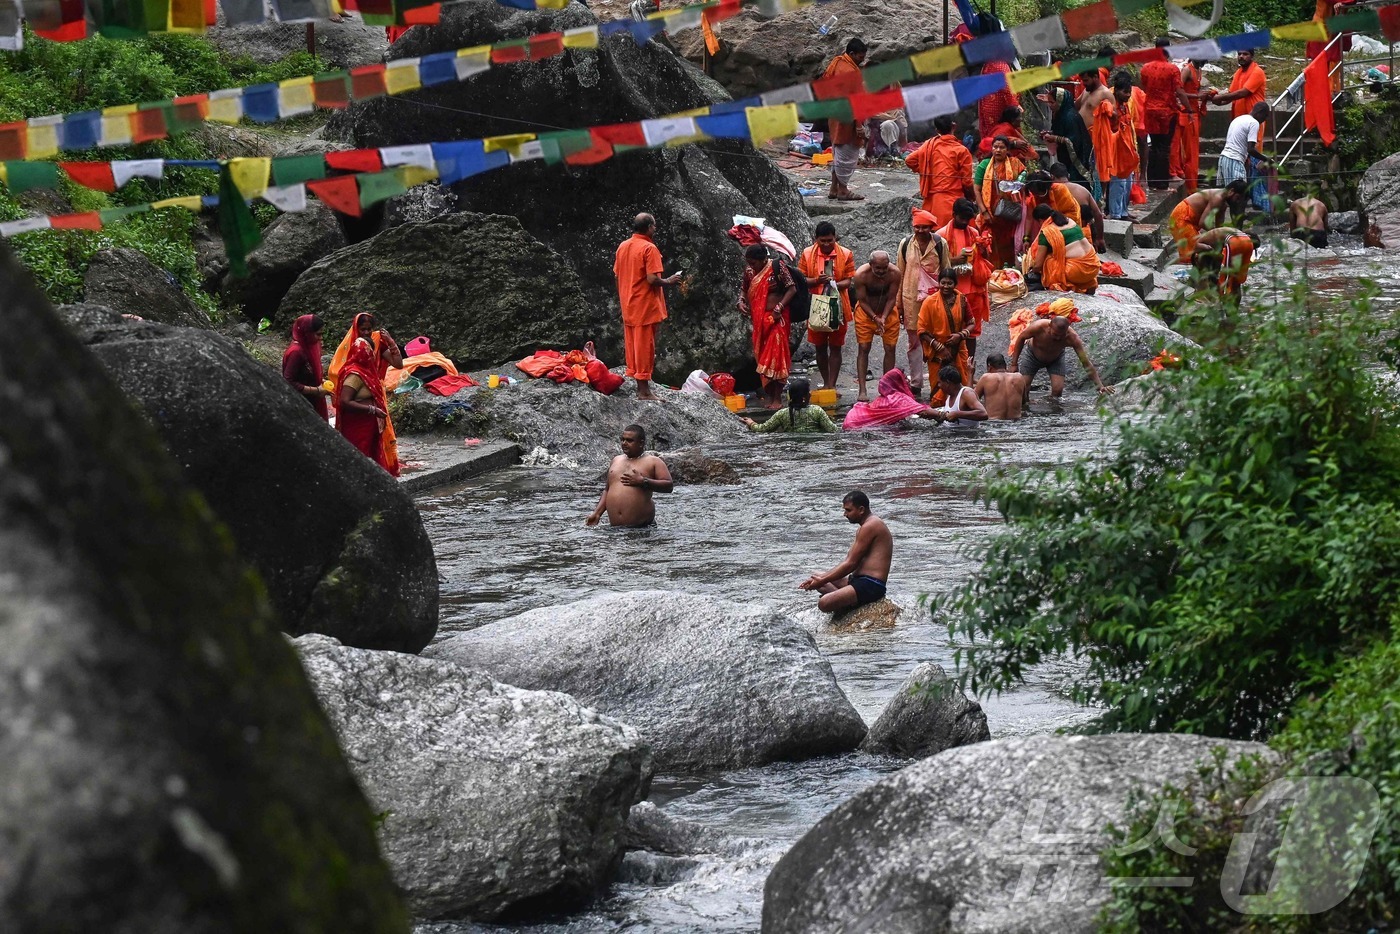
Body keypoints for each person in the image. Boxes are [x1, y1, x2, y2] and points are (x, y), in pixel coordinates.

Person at [614, 213, 681, 401]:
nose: (656, 229)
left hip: (628, 304)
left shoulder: (623, 246)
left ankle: (641, 388)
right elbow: (652, 279)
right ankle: (644, 391)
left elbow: (618, 275)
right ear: (649, 227)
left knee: (633, 347)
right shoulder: (648, 248)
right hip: (644, 305)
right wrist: (669, 280)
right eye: (654, 226)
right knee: (645, 348)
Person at [799, 490, 894, 613]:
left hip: (871, 585)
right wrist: (820, 579)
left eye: (848, 510)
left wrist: (823, 580)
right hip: (857, 581)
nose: (845, 514)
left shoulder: (871, 525)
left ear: (861, 509)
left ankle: (846, 605)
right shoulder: (865, 526)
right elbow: (848, 563)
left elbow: (850, 564)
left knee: (823, 603)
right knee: (816, 576)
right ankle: (846, 602)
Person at [330, 312, 401, 475]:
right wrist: (371, 408)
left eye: (370, 329)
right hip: (360, 407)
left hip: (374, 396)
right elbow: (344, 394)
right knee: (359, 451)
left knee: (372, 448)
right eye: (363, 329)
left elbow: (398, 363)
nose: (367, 333)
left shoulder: (375, 342)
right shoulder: (354, 354)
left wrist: (390, 342)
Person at [895, 209, 951, 395]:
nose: (920, 231)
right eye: (917, 227)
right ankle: (916, 383)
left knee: (938, 339)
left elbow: (946, 272)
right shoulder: (905, 245)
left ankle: (939, 382)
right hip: (911, 300)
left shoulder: (940, 244)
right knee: (914, 342)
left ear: (931, 228)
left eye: (924, 227)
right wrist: (899, 304)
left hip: (935, 301)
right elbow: (900, 275)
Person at [738, 244, 798, 409]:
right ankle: (771, 396)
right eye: (749, 263)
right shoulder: (749, 272)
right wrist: (741, 300)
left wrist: (780, 306)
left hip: (778, 318)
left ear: (764, 259)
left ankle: (777, 399)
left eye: (754, 263)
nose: (751, 266)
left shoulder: (777, 268)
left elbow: (791, 289)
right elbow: (744, 290)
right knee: (763, 356)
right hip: (759, 321)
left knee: (776, 358)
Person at [798, 221, 856, 391]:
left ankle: (832, 384)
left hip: (838, 305)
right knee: (820, 347)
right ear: (816, 239)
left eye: (829, 240)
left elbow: (849, 280)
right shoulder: (808, 254)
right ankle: (825, 382)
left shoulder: (846, 253)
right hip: (817, 305)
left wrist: (834, 284)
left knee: (836, 347)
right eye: (822, 241)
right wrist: (817, 281)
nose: (826, 244)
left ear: (835, 238)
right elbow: (801, 280)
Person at [1010, 313, 1115, 400]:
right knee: (1023, 389)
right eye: (1055, 334)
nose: (1058, 338)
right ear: (1049, 326)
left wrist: (1100, 386)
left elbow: (1085, 362)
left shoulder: (1072, 338)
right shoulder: (1038, 326)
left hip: (1056, 359)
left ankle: (1051, 414)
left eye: (1061, 336)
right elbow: (1021, 338)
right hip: (1033, 356)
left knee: (1057, 391)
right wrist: (1014, 363)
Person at [586, 424, 674, 528]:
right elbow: (607, 490)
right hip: (615, 530)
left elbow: (669, 486)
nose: (624, 443)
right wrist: (597, 513)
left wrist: (643, 481)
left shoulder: (654, 461)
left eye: (629, 440)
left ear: (641, 443)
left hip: (643, 529)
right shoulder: (616, 460)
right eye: (622, 440)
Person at [938, 199, 990, 368]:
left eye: (968, 220)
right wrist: (954, 260)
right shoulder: (941, 236)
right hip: (950, 291)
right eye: (962, 219)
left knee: (971, 333)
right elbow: (935, 265)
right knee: (948, 331)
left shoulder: (974, 232)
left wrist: (983, 250)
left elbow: (986, 258)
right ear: (953, 215)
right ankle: (949, 369)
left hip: (973, 290)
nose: (965, 223)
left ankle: (969, 369)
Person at [905, 114, 975, 228]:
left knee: (935, 240)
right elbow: (967, 182)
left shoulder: (929, 145)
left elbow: (909, 160)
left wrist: (926, 170)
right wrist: (973, 197)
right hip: (954, 203)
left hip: (932, 203)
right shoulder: (961, 150)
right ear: (954, 126)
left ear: (937, 129)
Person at [852, 251, 902, 403]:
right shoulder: (861, 275)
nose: (881, 272)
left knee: (890, 347)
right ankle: (862, 390)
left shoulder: (895, 273)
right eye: (877, 268)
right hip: (866, 312)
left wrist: (884, 317)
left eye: (884, 268)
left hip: (888, 312)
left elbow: (892, 298)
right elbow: (862, 301)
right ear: (871, 265)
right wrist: (875, 317)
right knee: (864, 347)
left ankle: (886, 387)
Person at [823, 38, 868, 201]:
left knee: (838, 152)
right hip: (847, 119)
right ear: (851, 54)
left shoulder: (836, 63)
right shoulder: (851, 71)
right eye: (860, 57)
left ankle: (833, 188)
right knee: (847, 154)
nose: (862, 60)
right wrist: (858, 125)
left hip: (834, 115)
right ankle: (843, 190)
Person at [917, 269, 972, 402]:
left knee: (961, 385)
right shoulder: (930, 302)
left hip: (958, 349)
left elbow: (971, 322)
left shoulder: (962, 300)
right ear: (938, 283)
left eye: (950, 283)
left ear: (955, 284)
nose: (946, 286)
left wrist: (960, 335)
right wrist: (939, 347)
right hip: (937, 354)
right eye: (943, 283)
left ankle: (960, 411)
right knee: (938, 390)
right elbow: (921, 330)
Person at [973, 136, 1026, 270]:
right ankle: (992, 273)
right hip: (990, 214)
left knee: (1009, 244)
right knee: (990, 244)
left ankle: (1009, 272)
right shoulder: (984, 165)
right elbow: (977, 189)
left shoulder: (1015, 164)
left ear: (1007, 150)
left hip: (1010, 215)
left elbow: (1024, 180)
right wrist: (984, 211)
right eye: (995, 147)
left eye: (1002, 147)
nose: (998, 150)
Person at [1141, 38, 1186, 189]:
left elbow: (1145, 87)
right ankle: (1161, 182)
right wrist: (1189, 108)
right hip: (1167, 113)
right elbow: (1179, 91)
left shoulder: (1145, 68)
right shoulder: (1173, 69)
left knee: (1154, 145)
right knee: (1165, 147)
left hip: (1150, 111)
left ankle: (1152, 181)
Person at [1168, 180, 1249, 262]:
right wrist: (1215, 235)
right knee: (1192, 254)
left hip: (1190, 221)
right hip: (1181, 217)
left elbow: (1219, 226)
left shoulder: (1223, 203)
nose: (1237, 202)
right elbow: (1203, 222)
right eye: (1237, 198)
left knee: (1202, 251)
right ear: (1231, 191)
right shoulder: (1218, 198)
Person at [1028, 204, 1100, 295]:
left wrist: (1031, 271)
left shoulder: (1047, 232)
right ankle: (1089, 286)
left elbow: (1038, 264)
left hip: (1075, 272)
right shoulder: (1071, 222)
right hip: (1094, 266)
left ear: (1041, 220)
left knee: (1049, 260)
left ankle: (1060, 287)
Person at [1094, 74, 1138, 220]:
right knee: (1118, 184)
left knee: (1127, 184)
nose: (1128, 95)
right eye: (1125, 92)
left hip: (1126, 150)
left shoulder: (1125, 106)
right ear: (1117, 91)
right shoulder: (1109, 105)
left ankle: (1123, 212)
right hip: (1114, 150)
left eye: (1129, 92)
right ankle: (1115, 214)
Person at [842, 369, 939, 430]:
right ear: (896, 382)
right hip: (856, 425)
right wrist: (944, 416)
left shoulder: (885, 398)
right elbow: (922, 411)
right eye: (904, 379)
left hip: (852, 420)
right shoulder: (897, 398)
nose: (908, 381)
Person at [1046, 163, 1106, 253]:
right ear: (1068, 176)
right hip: (1083, 239)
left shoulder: (1051, 192)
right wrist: (1100, 238)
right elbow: (1098, 215)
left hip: (1061, 238)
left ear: (1052, 177)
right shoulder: (1082, 190)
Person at [741, 378, 839, 433]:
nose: (810, 393)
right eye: (809, 392)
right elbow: (834, 431)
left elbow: (763, 429)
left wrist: (751, 423)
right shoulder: (817, 411)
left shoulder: (782, 414)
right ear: (805, 396)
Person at [282, 313, 332, 421]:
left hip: (315, 399)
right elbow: (288, 381)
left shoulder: (311, 346)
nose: (320, 338)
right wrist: (316, 391)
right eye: (318, 334)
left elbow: (311, 370)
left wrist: (321, 381)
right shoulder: (296, 352)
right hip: (302, 402)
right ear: (306, 333)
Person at [1173, 58, 1210, 193]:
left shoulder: (1198, 69)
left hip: (1195, 114)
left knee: (1194, 153)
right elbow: (1178, 91)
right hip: (1187, 115)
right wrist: (1197, 96)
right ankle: (1191, 188)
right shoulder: (1187, 69)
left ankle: (1192, 185)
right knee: (1190, 154)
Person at [1210, 49, 1268, 133]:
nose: (1241, 56)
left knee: (1253, 145)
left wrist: (1220, 97)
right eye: (1239, 54)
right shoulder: (1238, 72)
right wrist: (1220, 102)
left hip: (1254, 118)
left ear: (1252, 56)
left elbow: (1243, 93)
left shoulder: (1257, 72)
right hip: (1239, 119)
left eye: (1245, 54)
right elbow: (1232, 94)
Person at [1193, 226, 1256, 301]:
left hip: (1234, 241)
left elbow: (1208, 250)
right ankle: (1234, 309)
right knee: (1236, 281)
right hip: (1248, 242)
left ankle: (1222, 302)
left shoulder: (1198, 245)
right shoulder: (1212, 239)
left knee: (1226, 279)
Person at [1219, 102, 1271, 191]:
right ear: (1259, 112)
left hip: (1224, 159)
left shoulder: (1239, 119)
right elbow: (1250, 149)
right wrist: (1266, 159)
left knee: (1229, 194)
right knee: (1238, 194)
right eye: (1265, 116)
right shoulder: (1254, 123)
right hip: (1235, 160)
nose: (1264, 119)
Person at [974, 353, 1027, 420]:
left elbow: (971, 400)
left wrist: (970, 374)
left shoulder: (986, 378)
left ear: (989, 367)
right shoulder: (1019, 377)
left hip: (993, 424)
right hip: (1016, 423)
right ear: (1005, 366)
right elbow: (1024, 401)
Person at [978, 60, 1018, 140]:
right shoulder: (1000, 64)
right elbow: (1007, 89)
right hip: (998, 108)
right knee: (1002, 136)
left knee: (991, 136)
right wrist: (1015, 107)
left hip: (988, 106)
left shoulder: (988, 64)